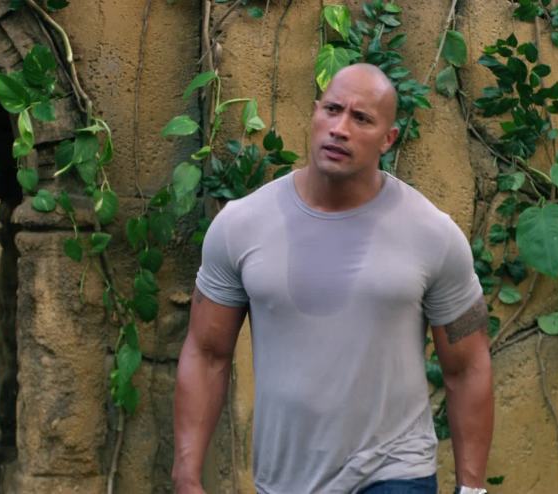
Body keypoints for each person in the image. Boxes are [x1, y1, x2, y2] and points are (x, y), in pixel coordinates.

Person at [171, 63, 494, 494]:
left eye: (361, 118)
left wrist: (471, 489)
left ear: (388, 139)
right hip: (286, 480)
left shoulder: (432, 234)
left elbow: (468, 365)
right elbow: (206, 353)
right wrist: (186, 475)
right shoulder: (241, 225)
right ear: (314, 114)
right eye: (333, 110)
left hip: (394, 472)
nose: (340, 129)